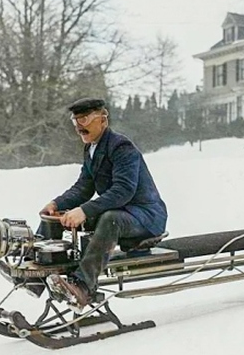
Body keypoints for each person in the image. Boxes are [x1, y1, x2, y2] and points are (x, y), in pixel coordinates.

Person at [40, 97, 168, 308]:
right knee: (57, 217)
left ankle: (82, 288)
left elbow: (123, 191)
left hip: (145, 217)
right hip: (122, 213)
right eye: (76, 121)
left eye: (85, 120)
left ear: (103, 120)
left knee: (110, 219)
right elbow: (83, 188)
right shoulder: (92, 149)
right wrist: (56, 204)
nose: (80, 127)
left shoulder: (121, 147)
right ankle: (37, 274)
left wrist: (84, 210)